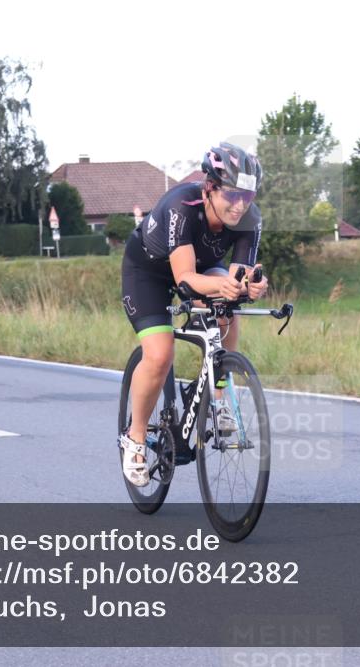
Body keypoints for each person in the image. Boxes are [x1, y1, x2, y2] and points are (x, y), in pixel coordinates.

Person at [119, 142, 268, 486]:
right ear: (209, 189)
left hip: (201, 267)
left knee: (228, 309)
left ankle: (218, 398)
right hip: (150, 273)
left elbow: (238, 275)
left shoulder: (250, 218)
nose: (240, 205)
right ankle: (136, 436)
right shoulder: (181, 207)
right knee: (160, 354)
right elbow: (184, 278)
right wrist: (224, 286)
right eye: (232, 195)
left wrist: (250, 285)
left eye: (248, 196)